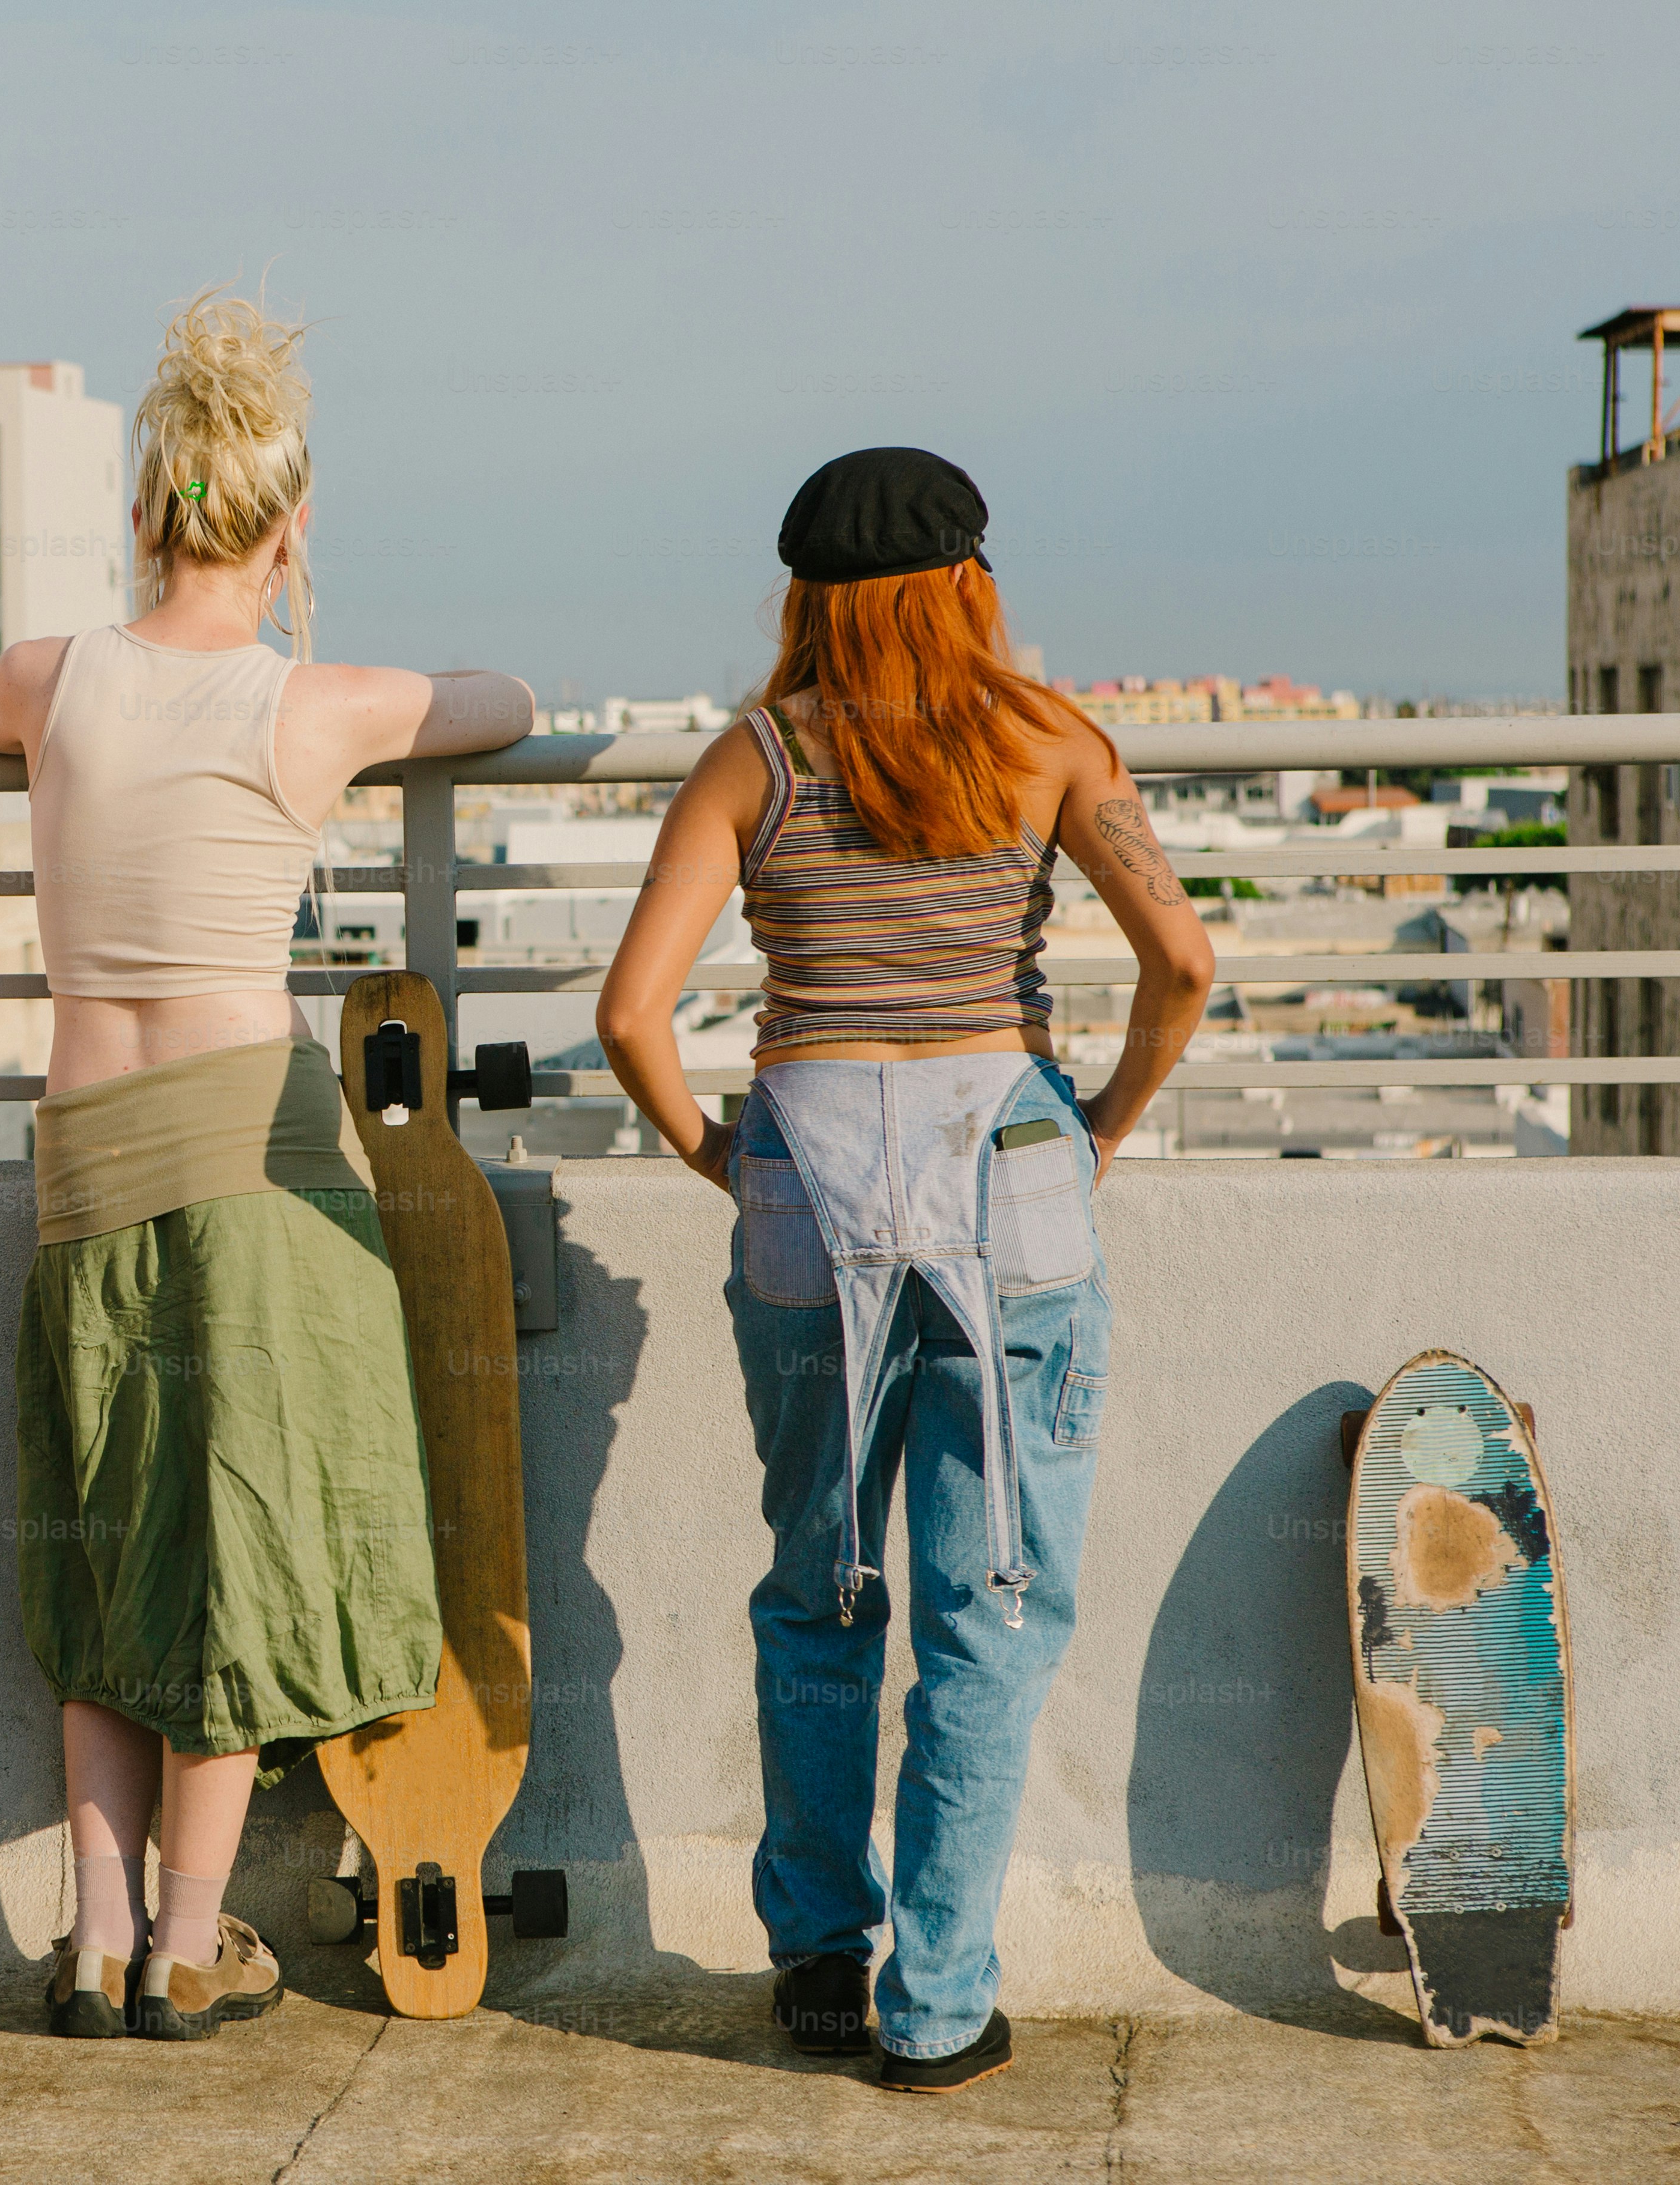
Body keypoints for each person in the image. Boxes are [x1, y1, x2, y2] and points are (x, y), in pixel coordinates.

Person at [595, 448, 1213, 2090]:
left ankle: (815, 1955)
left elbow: (629, 1016)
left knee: (822, 1585)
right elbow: (1186, 959)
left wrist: (722, 1157)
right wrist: (1102, 1125)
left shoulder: (755, 761)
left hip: (809, 1183)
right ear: (970, 584)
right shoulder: (1050, 745)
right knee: (988, 1598)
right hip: (1013, 1178)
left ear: (806, 597)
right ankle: (938, 2005)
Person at [0, 288, 535, 2041]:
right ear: (286, 525)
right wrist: (306, 606)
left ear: (145, 511)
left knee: (106, 1545)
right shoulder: (315, 704)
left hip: (82, 1164)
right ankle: (188, 1946)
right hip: (247, 1146)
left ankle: (88, 1936)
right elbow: (505, 700)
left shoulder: (45, 679)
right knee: (235, 1548)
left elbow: (5, 728)